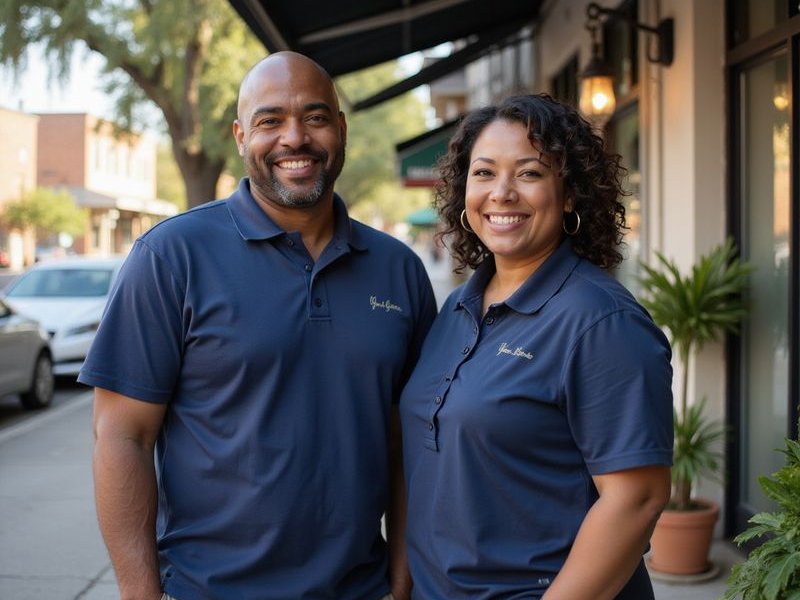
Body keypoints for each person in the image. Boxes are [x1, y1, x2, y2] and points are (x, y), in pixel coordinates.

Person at [80, 52, 437, 600]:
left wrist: (402, 578)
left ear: (341, 130)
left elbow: (407, 441)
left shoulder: (398, 269)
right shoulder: (171, 256)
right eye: (271, 120)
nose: (295, 138)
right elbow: (121, 435)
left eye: (315, 117)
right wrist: (139, 594)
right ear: (241, 135)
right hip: (207, 589)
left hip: (359, 589)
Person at [399, 94, 673, 599]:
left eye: (529, 173)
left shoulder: (601, 322)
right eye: (483, 173)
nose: (501, 193)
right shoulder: (459, 307)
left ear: (569, 194)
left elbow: (637, 498)